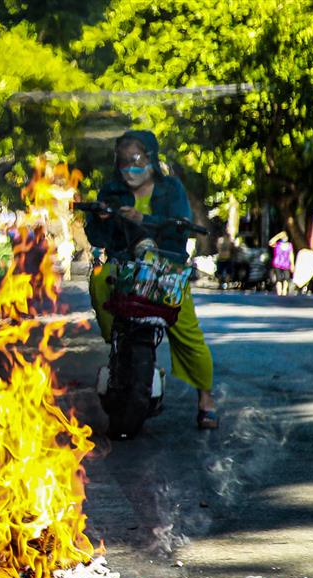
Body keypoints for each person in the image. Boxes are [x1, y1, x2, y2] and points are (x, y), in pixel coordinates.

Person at [84, 130, 219, 430]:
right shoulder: (111, 191)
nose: (129, 169)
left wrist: (142, 220)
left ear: (151, 160)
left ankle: (206, 399)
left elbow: (181, 229)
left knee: (187, 331)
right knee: (98, 280)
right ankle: (116, 342)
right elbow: (96, 236)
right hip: (124, 267)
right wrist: (100, 219)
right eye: (122, 162)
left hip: (165, 269)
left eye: (135, 161)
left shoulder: (171, 190)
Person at [269, 231, 295, 296]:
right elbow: (270, 243)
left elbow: (291, 255)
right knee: (278, 279)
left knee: (286, 278)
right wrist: (278, 236)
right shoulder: (277, 244)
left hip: (286, 264)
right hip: (277, 264)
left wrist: (292, 264)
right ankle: (279, 292)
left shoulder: (289, 245)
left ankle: (284, 291)